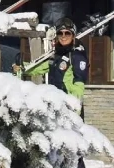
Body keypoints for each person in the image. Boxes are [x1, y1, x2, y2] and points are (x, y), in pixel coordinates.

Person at [14, 17, 89, 168]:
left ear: (73, 36)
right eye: (60, 33)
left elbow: (79, 84)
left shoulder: (76, 56)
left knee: (72, 151)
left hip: (70, 109)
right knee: (56, 149)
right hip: (55, 107)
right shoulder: (56, 56)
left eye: (67, 33)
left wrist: (75, 106)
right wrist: (21, 68)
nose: (63, 36)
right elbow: (37, 67)